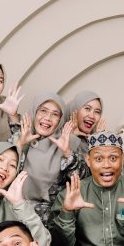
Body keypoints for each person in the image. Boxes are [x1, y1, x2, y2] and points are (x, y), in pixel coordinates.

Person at [12, 92, 77, 227]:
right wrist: (21, 144)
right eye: (43, 111)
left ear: (60, 120)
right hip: (13, 214)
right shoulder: (19, 136)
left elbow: (81, 181)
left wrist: (67, 153)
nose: (48, 118)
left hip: (49, 222)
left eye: (55, 114)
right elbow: (5, 172)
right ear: (34, 112)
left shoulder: (68, 143)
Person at [67, 91, 107, 178]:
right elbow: (71, 176)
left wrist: (98, 143)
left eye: (97, 112)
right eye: (87, 109)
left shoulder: (92, 140)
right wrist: (71, 138)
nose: (92, 116)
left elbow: (102, 175)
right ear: (75, 110)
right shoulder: (57, 138)